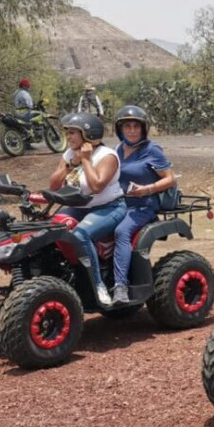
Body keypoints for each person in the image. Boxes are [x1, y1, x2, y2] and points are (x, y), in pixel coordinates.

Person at [49, 112, 126, 306]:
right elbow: (54, 185)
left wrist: (85, 160)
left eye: (74, 132)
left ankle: (98, 285)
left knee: (80, 234)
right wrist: (71, 163)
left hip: (109, 207)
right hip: (79, 206)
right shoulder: (69, 153)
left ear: (88, 134)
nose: (69, 136)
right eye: (68, 131)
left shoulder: (107, 156)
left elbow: (97, 186)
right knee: (51, 229)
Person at [112, 105, 176, 304]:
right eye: (127, 126)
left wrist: (146, 189)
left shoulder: (152, 150)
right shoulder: (118, 150)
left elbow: (170, 179)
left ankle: (120, 287)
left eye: (135, 126)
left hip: (143, 206)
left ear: (143, 128)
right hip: (120, 204)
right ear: (120, 130)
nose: (131, 130)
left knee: (122, 232)